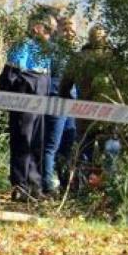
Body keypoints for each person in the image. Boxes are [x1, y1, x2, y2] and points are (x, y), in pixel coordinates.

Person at [0, 6, 56, 200]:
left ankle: (35, 186)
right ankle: (20, 187)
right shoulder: (22, 44)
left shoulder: (45, 47)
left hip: (41, 101)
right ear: (36, 27)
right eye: (47, 30)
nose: (50, 35)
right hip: (25, 101)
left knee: (37, 144)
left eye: (51, 32)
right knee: (22, 142)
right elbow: (10, 77)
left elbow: (47, 76)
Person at [58, 24, 122, 190]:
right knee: (110, 152)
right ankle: (109, 190)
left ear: (89, 38)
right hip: (110, 114)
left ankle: (82, 189)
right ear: (106, 38)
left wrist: (69, 99)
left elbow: (64, 85)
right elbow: (126, 85)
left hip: (84, 112)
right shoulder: (114, 59)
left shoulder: (78, 58)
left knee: (84, 151)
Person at [42, 14, 78, 194]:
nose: (70, 32)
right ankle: (47, 183)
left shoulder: (74, 52)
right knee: (52, 144)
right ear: (58, 29)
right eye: (66, 28)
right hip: (56, 99)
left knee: (68, 144)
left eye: (73, 29)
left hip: (72, 101)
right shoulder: (51, 49)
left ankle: (65, 183)